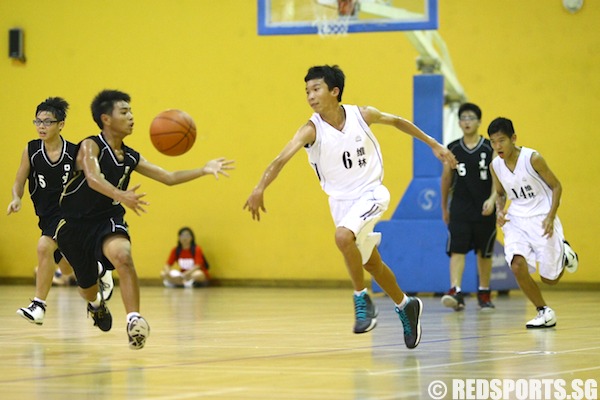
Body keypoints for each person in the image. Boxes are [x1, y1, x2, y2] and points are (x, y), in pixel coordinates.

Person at [243, 65, 457, 349]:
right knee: (371, 262)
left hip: (371, 193)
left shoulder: (363, 114)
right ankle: (406, 305)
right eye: (307, 91)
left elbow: (397, 121)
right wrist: (259, 187)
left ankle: (361, 299)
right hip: (341, 203)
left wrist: (434, 144)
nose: (310, 96)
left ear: (335, 91)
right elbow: (280, 159)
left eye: (316, 89)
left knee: (343, 237)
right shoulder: (310, 130)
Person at [56, 89, 234, 349]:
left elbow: (168, 177)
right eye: (124, 112)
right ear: (106, 118)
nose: (131, 117)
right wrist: (121, 194)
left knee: (123, 257)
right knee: (86, 287)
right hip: (75, 224)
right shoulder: (90, 145)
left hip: (108, 218)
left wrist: (204, 169)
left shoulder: (130, 157)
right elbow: (93, 179)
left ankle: (134, 321)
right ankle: (96, 306)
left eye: (131, 111)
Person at [7, 97, 113, 325]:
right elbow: (19, 179)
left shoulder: (74, 153)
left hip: (71, 213)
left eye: (47, 122)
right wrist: (17, 198)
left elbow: (94, 180)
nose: (41, 126)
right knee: (66, 267)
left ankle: (38, 305)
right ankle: (98, 271)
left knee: (44, 246)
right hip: (46, 216)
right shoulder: (32, 150)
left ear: (61, 124)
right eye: (37, 121)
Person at [488, 117, 578, 329]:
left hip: (541, 218)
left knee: (550, 279)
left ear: (514, 138)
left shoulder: (533, 158)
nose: (497, 146)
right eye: (493, 142)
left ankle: (564, 254)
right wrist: (500, 211)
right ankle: (544, 311)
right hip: (516, 219)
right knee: (517, 265)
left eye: (501, 140)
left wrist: (550, 215)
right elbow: (500, 194)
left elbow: (556, 186)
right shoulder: (496, 166)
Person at [440, 103, 497, 311]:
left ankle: (484, 292)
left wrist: (493, 200)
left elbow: (498, 179)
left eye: (471, 117)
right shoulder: (453, 148)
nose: (467, 121)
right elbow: (446, 178)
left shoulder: (489, 148)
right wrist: (444, 207)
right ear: (459, 122)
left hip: (484, 208)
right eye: (463, 118)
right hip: (460, 209)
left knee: (485, 253)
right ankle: (455, 291)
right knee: (457, 250)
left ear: (479, 121)